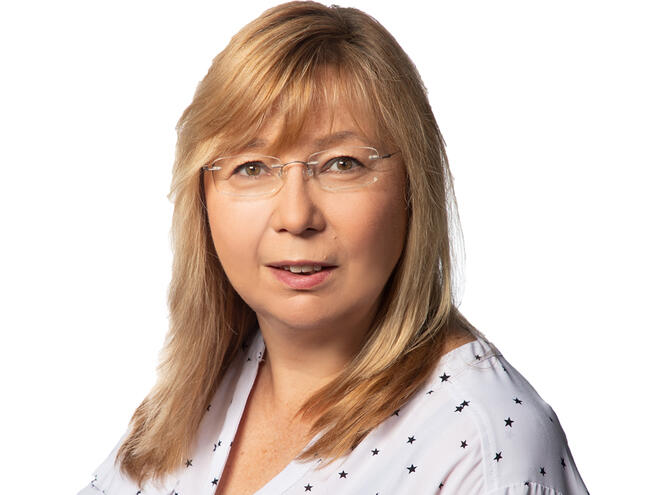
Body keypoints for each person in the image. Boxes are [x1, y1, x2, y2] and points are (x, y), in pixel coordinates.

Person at [77, 2, 589, 494]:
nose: (296, 216)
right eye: (251, 167)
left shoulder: (485, 448)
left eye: (342, 164)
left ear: (414, 188)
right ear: (202, 199)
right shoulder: (191, 399)